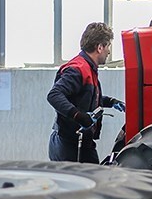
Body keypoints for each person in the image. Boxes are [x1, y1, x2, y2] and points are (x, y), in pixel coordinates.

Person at [47, 22, 125, 163]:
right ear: (100, 47)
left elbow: (86, 97)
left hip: (82, 143)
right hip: (68, 145)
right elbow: (54, 95)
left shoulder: (88, 68)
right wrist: (79, 116)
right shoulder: (78, 69)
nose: (108, 52)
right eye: (108, 47)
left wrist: (111, 102)